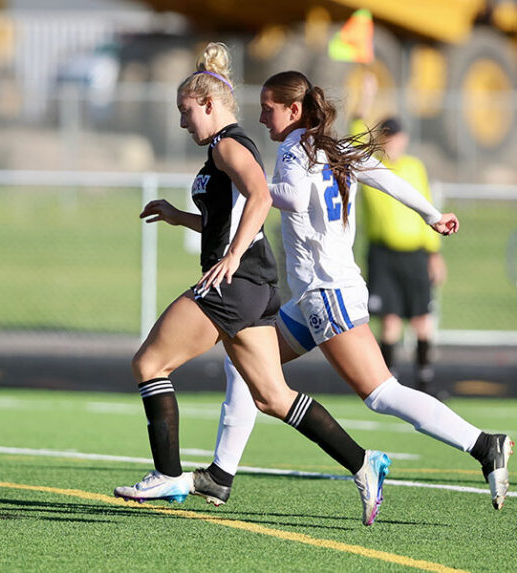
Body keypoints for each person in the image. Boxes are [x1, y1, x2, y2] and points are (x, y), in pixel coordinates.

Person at [189, 70, 514, 512]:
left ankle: (483, 445)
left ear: (294, 110)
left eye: (269, 108)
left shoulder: (292, 149)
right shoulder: (335, 148)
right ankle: (221, 475)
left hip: (327, 293)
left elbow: (296, 197)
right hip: (314, 298)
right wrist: (431, 214)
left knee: (381, 394)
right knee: (244, 363)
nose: (262, 118)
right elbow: (388, 178)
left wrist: (252, 187)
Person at [113, 43, 391, 527]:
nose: (183, 124)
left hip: (235, 280)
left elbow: (261, 195)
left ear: (208, 104)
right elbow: (232, 214)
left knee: (149, 362)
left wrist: (232, 256)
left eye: (185, 112)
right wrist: (180, 217)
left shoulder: (226, 143)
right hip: (257, 283)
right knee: (272, 396)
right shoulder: (226, 145)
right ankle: (364, 462)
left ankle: (167, 475)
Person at [359, 117, 444, 393]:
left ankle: (425, 380)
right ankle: (386, 383)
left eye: (396, 136)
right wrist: (364, 102)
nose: (392, 142)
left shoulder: (413, 167)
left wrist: (434, 252)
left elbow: (427, 207)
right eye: (386, 136)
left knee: (421, 318)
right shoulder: (370, 164)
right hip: (384, 254)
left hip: (415, 254)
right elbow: (356, 132)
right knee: (390, 320)